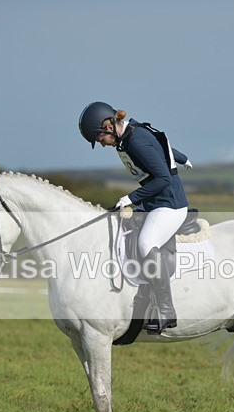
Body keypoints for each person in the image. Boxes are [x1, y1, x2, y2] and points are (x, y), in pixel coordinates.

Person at [78, 102, 192, 333]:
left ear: (108, 126)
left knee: (146, 243)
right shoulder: (131, 135)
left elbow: (163, 179)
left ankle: (167, 310)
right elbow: (162, 144)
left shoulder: (136, 140)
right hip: (154, 202)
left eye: (99, 138)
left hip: (169, 204)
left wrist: (131, 198)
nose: (101, 144)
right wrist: (181, 157)